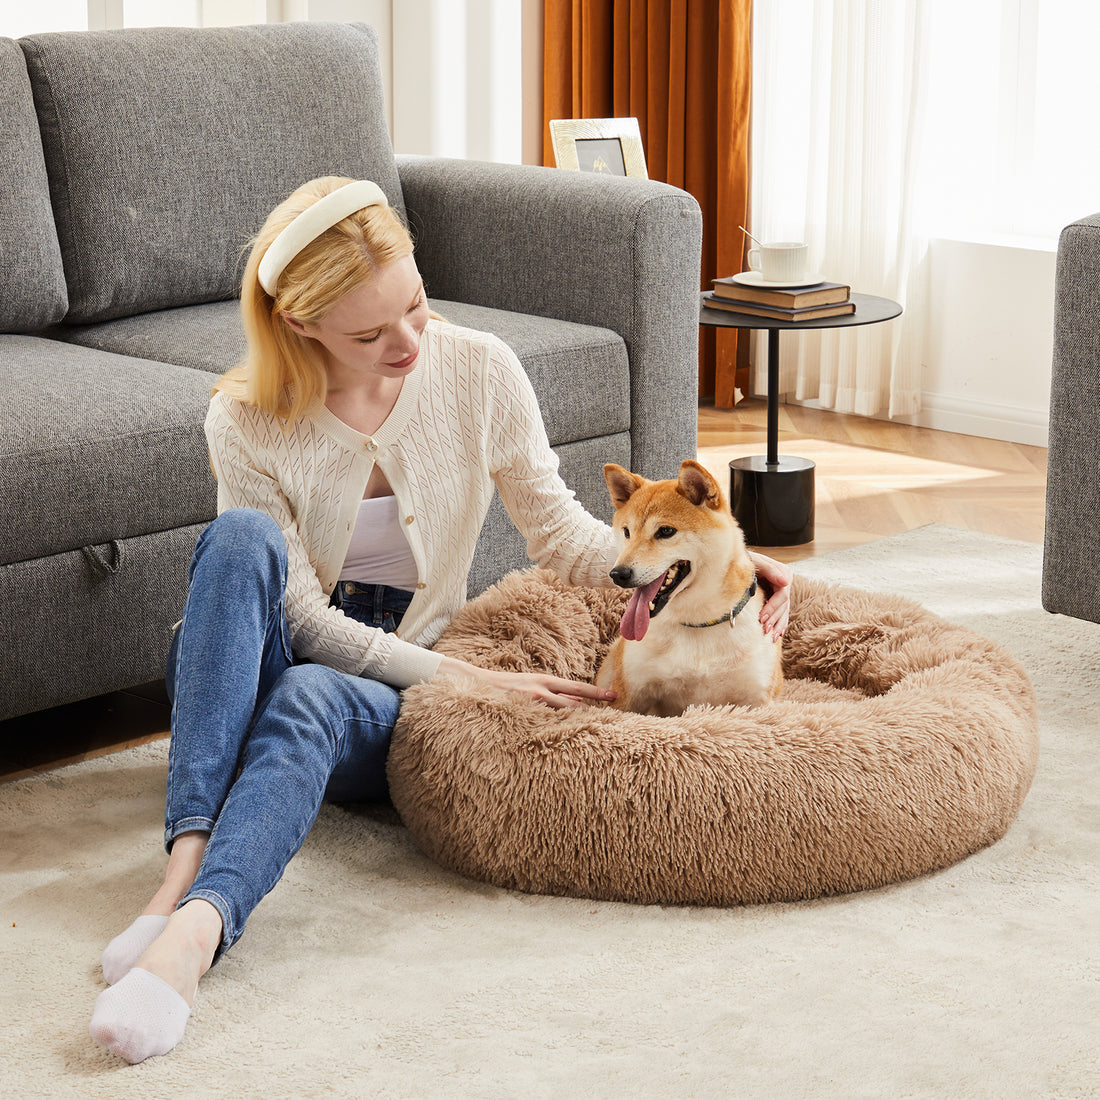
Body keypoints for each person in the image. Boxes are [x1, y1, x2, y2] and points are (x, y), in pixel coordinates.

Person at [89, 176, 792, 1063]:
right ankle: (179, 873)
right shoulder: (244, 418)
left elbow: (560, 532)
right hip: (274, 647)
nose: (410, 342)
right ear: (302, 327)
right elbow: (302, 622)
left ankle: (191, 938)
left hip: (373, 693)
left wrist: (726, 558)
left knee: (312, 697)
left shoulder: (480, 367)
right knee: (237, 544)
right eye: (370, 333)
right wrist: (471, 677)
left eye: (416, 307)